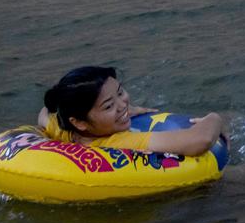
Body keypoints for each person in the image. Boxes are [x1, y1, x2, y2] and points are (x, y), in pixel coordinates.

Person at [37, 65, 227, 156]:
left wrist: (123, 111)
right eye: (109, 105)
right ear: (79, 121)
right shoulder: (121, 142)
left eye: (120, 93)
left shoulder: (62, 129)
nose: (123, 104)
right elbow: (200, 141)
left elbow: (44, 113)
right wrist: (215, 118)